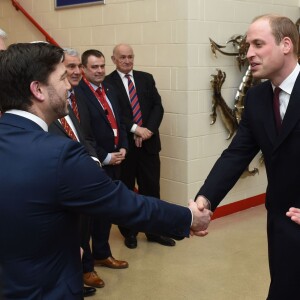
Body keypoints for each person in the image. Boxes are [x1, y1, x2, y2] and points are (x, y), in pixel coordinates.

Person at [0, 42, 211, 300]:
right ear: (38, 90)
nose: (69, 85)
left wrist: (61, 246)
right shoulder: (59, 154)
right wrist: (188, 218)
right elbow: (124, 204)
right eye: (62, 77)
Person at [194, 14, 300, 300]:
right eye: (247, 45)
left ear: (286, 44)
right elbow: (236, 155)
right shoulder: (257, 98)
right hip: (281, 223)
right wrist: (204, 201)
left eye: (257, 44)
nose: (248, 53)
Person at [105, 43, 175, 249]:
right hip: (125, 148)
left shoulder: (146, 78)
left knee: (151, 189)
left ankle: (154, 232)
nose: (127, 61)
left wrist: (148, 131)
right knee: (126, 192)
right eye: (122, 57)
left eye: (130, 56)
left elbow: (157, 106)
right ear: (114, 60)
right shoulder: (108, 83)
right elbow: (115, 113)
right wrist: (136, 129)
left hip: (149, 146)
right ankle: (130, 232)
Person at [48, 48, 102, 297]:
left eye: (76, 67)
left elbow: (83, 136)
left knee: (82, 232)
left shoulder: (71, 101)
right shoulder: (44, 114)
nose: (73, 74)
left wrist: (92, 158)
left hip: (83, 175)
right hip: (63, 185)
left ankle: (79, 277)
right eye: (65, 70)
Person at [76, 49, 129, 269]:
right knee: (88, 219)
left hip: (117, 160)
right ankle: (86, 266)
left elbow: (120, 121)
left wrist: (124, 146)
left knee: (106, 213)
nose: (99, 71)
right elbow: (83, 134)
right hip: (97, 162)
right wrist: (105, 157)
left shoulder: (110, 88)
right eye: (94, 67)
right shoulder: (78, 93)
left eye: (102, 66)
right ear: (83, 69)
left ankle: (102, 253)